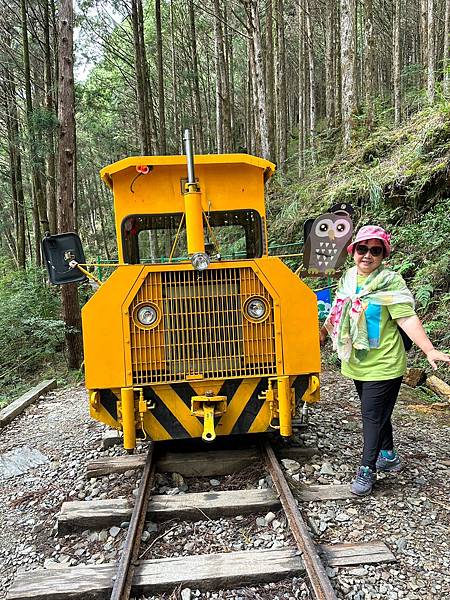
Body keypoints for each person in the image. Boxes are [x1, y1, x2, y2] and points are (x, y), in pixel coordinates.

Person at [319, 225, 450, 496]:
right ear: (353, 251)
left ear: (383, 255)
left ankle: (367, 469)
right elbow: (338, 308)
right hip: (357, 359)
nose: (368, 255)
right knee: (378, 413)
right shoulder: (348, 278)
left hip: (385, 363)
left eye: (375, 251)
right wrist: (323, 332)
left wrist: (428, 349)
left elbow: (406, 317)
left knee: (371, 415)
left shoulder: (391, 282)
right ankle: (388, 455)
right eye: (363, 249)